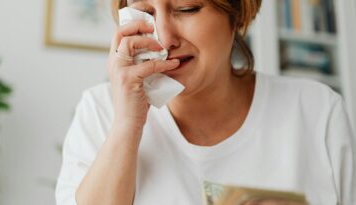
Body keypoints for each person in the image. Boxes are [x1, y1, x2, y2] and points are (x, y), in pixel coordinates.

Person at [55, 0, 356, 204]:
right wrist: (127, 125)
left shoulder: (317, 111)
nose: (164, 37)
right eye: (145, 12)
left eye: (187, 8)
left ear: (236, 13)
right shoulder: (100, 111)